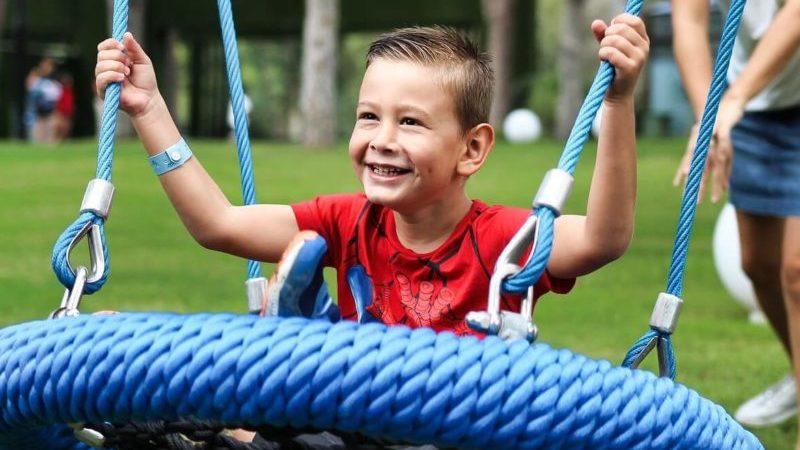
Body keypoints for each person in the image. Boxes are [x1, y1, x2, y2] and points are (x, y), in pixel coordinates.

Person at [95, 17, 648, 443]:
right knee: (267, 415)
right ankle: (164, 386)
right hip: (346, 424)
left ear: (471, 149)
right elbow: (217, 224)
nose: (382, 138)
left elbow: (604, 238)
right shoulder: (346, 221)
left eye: (409, 121)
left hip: (452, 428)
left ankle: (302, 340)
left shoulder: (504, 240)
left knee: (307, 409)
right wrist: (149, 111)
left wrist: (618, 101)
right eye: (368, 116)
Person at [671, 0, 800, 440]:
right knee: (758, 265)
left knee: (797, 271)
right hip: (752, 104)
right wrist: (711, 122)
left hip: (752, 93)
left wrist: (735, 100)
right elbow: (687, 19)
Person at [53, 72, 76, 143]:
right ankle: (56, 141)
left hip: (67, 113)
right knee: (58, 127)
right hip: (60, 112)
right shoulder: (60, 90)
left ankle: (61, 141)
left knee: (66, 129)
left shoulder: (70, 91)